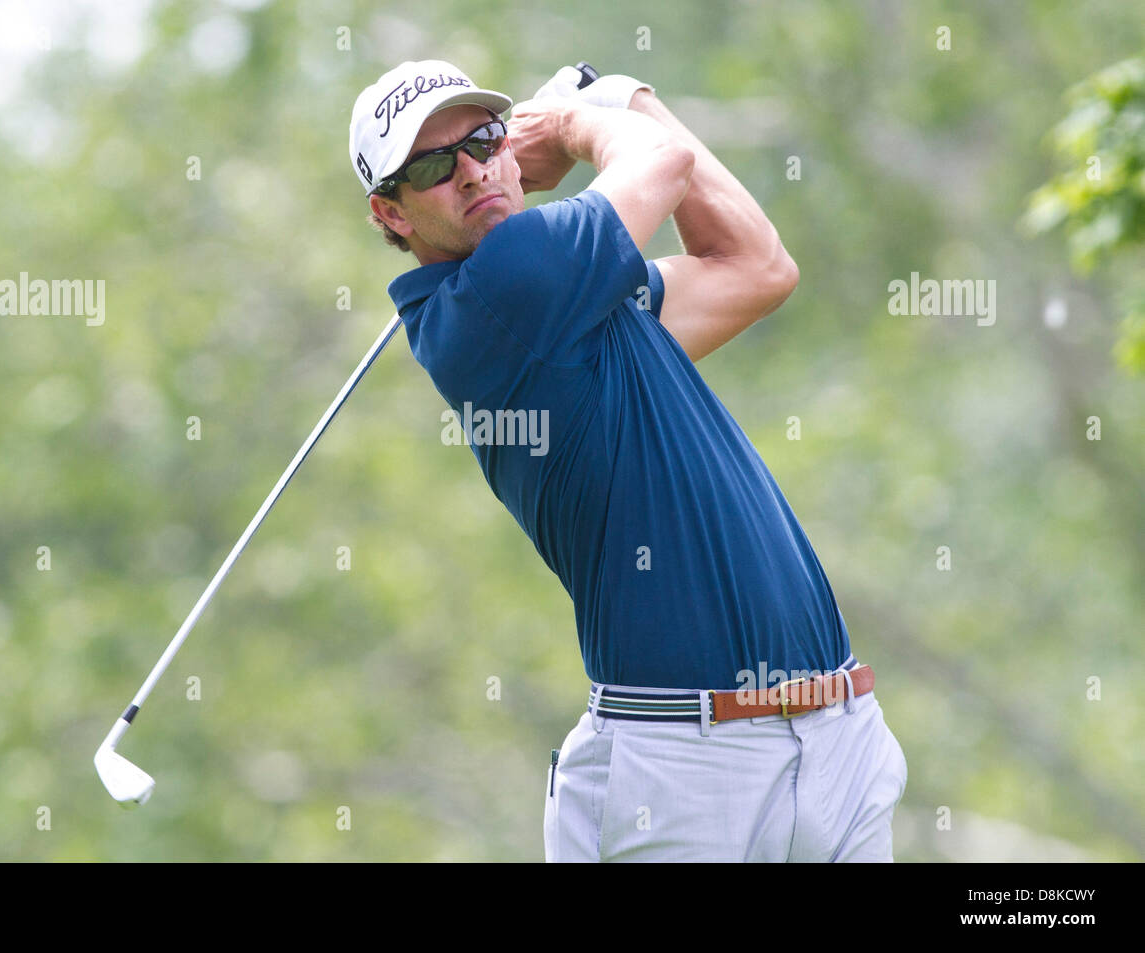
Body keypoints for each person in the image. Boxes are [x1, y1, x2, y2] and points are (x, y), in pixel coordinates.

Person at [347, 60, 908, 862]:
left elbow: (756, 267)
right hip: (680, 770)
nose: (471, 171)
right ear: (390, 213)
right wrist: (580, 118)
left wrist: (623, 99)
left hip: (836, 741)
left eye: (484, 140)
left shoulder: (569, 301)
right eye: (435, 166)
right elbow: (662, 161)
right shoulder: (501, 292)